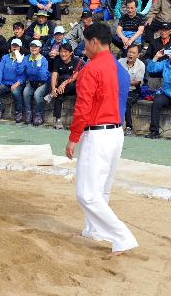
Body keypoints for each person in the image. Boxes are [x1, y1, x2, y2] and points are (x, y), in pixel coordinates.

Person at [65, 22, 137, 255]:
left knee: (87, 193)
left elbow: (82, 107)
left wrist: (73, 138)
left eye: (85, 43)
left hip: (98, 133)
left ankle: (121, 235)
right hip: (116, 132)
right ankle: (94, 228)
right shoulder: (117, 67)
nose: (84, 48)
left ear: (94, 42)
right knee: (102, 188)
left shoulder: (91, 69)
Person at [49, 42, 80, 129]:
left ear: (71, 53)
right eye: (61, 51)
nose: (63, 54)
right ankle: (58, 120)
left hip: (73, 85)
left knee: (66, 83)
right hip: (61, 87)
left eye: (66, 52)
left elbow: (75, 76)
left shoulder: (76, 60)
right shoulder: (57, 61)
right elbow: (54, 75)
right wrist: (53, 88)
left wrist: (64, 83)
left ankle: (77, 120)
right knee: (59, 94)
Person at [21, 39, 50, 126]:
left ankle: (39, 115)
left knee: (37, 94)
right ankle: (29, 113)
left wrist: (39, 69)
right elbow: (21, 72)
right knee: (25, 92)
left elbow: (44, 77)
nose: (33, 48)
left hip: (43, 83)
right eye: (32, 46)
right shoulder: (26, 58)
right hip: (32, 82)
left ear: (40, 49)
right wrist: (20, 63)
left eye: (36, 47)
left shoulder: (43, 60)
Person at [118, 44, 144, 135]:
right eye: (129, 52)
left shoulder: (141, 65)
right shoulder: (120, 61)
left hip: (133, 90)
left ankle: (129, 127)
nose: (130, 54)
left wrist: (123, 80)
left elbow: (136, 82)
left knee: (126, 101)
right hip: (119, 89)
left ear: (138, 55)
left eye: (133, 53)